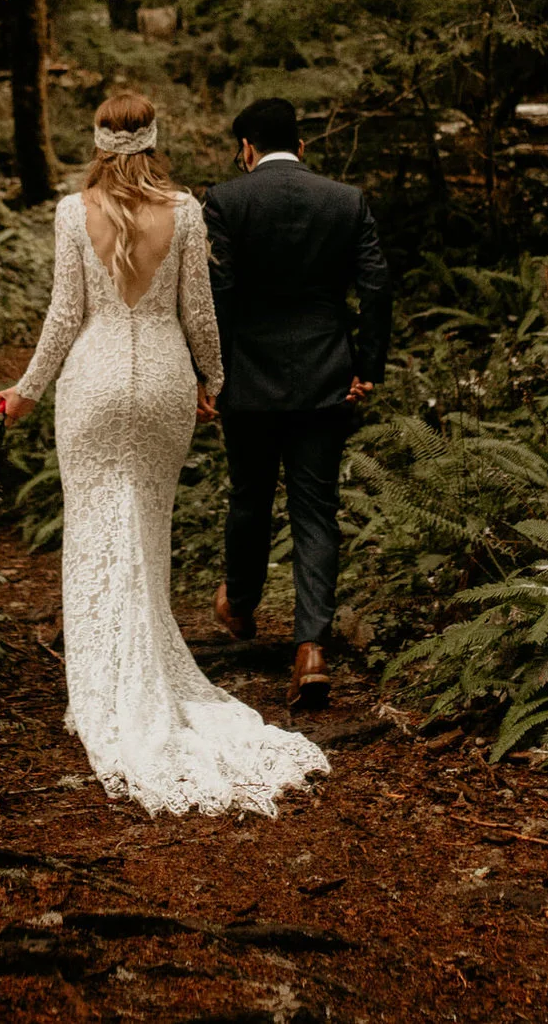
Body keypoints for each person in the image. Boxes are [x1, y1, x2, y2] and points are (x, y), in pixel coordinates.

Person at [0, 94, 328, 817]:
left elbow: (63, 317)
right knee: (146, 529)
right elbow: (200, 314)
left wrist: (23, 392)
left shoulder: (69, 212)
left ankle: (105, 693)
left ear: (98, 141)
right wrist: (213, 380)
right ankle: (145, 672)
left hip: (93, 381)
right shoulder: (184, 210)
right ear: (153, 140)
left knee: (94, 532)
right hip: (164, 390)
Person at [202, 96, 392, 710]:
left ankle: (241, 601)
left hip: (247, 379)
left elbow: (218, 296)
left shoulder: (226, 201)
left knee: (250, 493)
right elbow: (375, 286)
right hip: (325, 377)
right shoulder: (346, 200)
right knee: (316, 509)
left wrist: (212, 373)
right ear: (302, 146)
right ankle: (311, 648)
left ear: (247, 149)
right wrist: (366, 367)